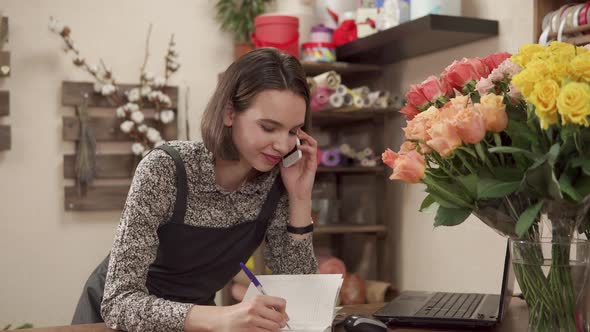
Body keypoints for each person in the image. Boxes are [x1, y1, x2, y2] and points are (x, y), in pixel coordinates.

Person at [73, 48, 319, 332]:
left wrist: (300, 197)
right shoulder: (165, 169)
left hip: (199, 322)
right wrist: (224, 317)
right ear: (229, 113)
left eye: (292, 132)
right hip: (116, 323)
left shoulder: (276, 181)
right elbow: (119, 303)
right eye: (268, 127)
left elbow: (301, 292)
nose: (283, 145)